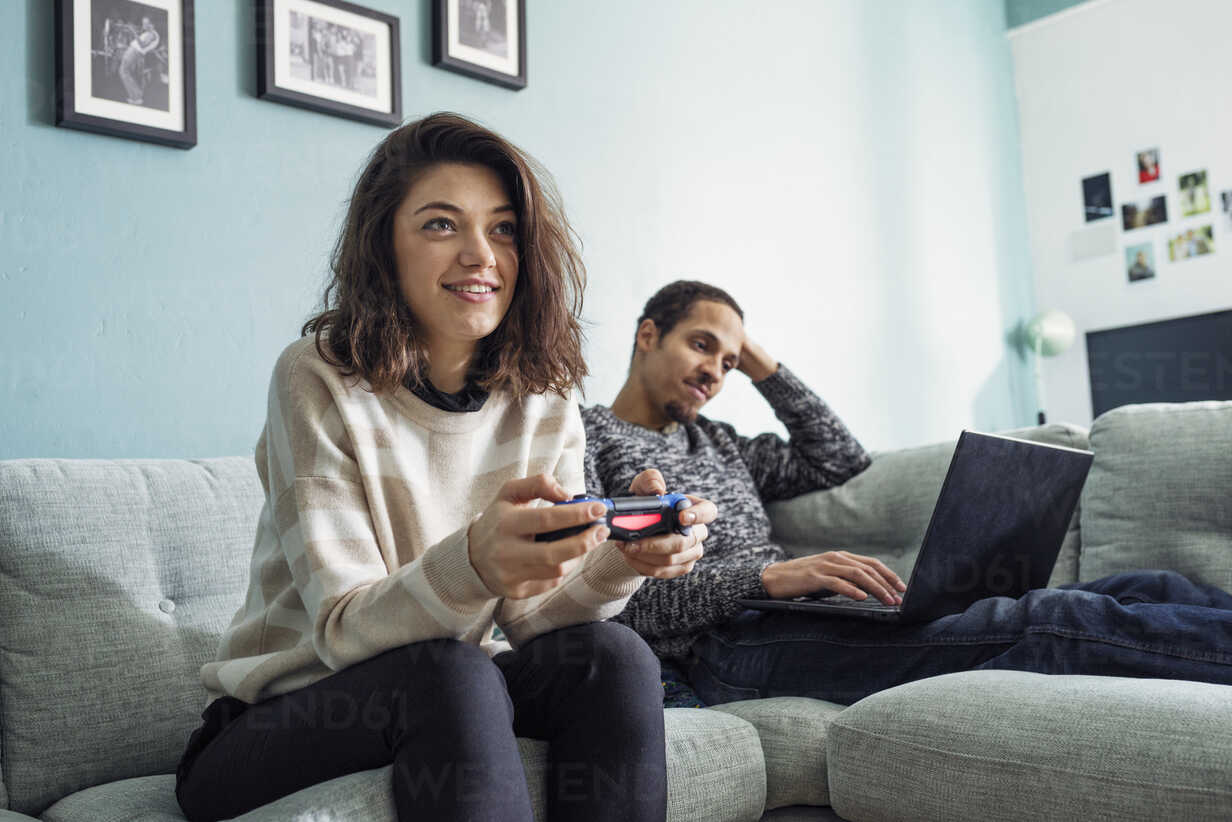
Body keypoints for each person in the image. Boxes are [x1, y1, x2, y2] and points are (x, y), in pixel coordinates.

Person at [174, 115, 715, 822]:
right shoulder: (317, 378)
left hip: (446, 687)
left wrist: (621, 562)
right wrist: (476, 564)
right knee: (452, 673)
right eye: (439, 225)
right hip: (272, 723)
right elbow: (342, 630)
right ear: (384, 246)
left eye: (502, 229)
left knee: (612, 658)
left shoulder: (544, 397)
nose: (478, 256)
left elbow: (530, 620)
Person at [583, 279, 1232, 708]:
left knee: (1146, 587)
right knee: (1049, 624)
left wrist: (757, 359)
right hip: (728, 646)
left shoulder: (723, 442)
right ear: (647, 335)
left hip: (805, 616)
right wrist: (764, 579)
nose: (714, 373)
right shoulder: (584, 437)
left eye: (727, 362)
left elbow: (838, 454)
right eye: (701, 346)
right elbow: (603, 604)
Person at [118, 16, 159, 105]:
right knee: (125, 72)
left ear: (152, 25)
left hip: (134, 52)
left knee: (123, 72)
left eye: (145, 23)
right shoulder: (150, 33)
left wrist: (133, 31)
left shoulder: (152, 34)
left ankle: (136, 97)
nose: (143, 25)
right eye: (143, 22)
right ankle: (137, 96)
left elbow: (142, 45)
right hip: (134, 51)